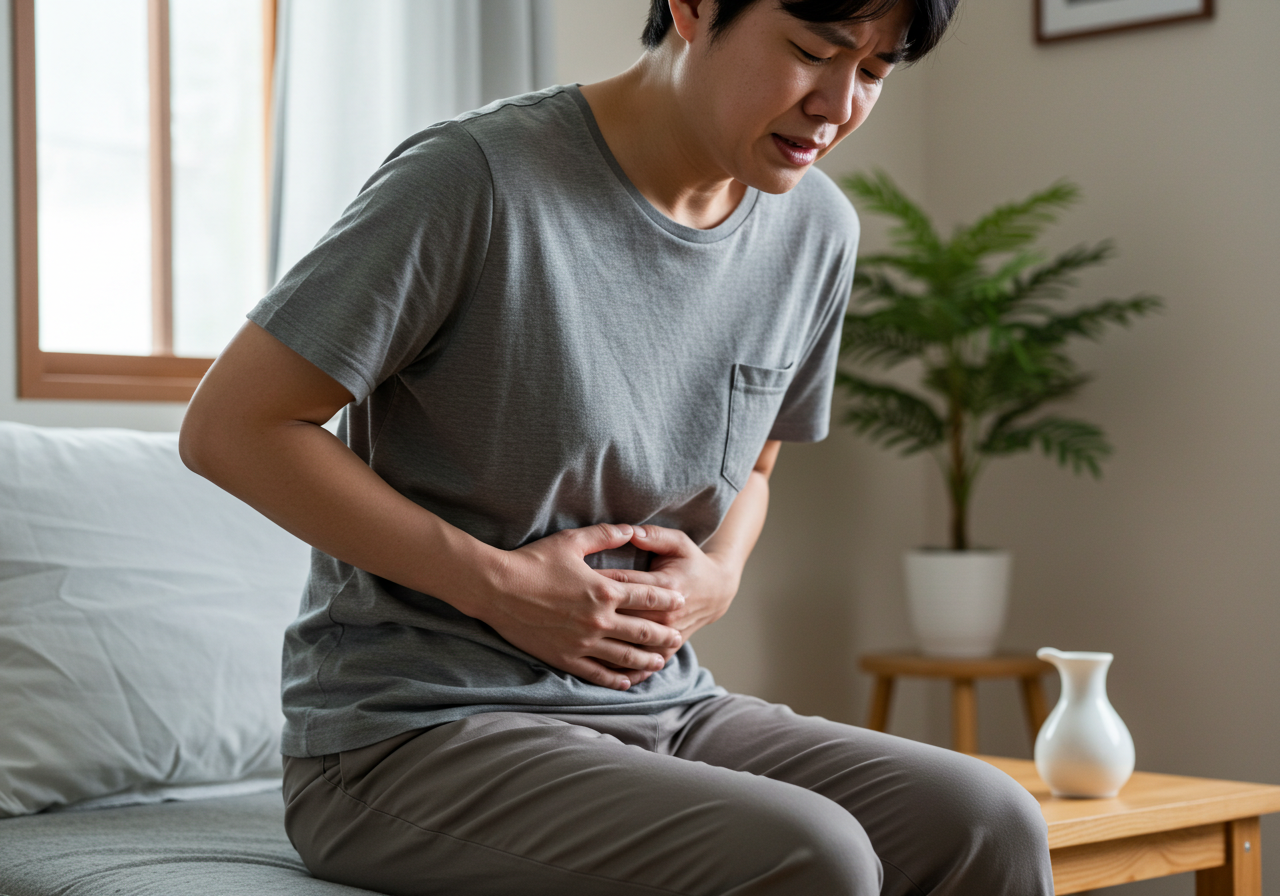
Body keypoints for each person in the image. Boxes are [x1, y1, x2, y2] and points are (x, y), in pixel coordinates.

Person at [181, 0, 1054, 893]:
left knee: (988, 821)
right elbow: (231, 429)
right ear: (693, 8)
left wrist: (720, 573)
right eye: (810, 52)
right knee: (812, 854)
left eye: (872, 72)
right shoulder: (476, 178)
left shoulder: (816, 230)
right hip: (412, 728)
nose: (837, 104)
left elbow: (755, 465)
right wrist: (502, 587)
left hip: (664, 707)